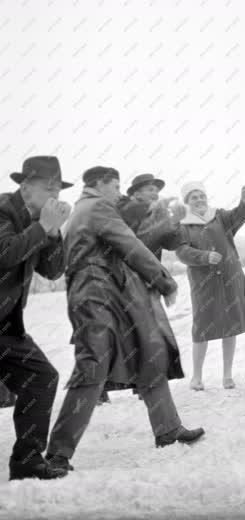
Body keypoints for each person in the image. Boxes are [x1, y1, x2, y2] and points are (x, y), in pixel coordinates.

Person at [46, 166, 205, 473]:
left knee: (149, 354)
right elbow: (130, 244)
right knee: (92, 369)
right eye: (115, 185)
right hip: (96, 295)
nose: (119, 191)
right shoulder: (97, 207)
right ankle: (58, 453)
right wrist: (164, 280)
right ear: (99, 185)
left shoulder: (85, 209)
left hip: (109, 293)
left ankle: (168, 428)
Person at [96, 173, 205, 404]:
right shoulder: (124, 207)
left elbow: (171, 241)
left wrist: (177, 221)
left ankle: (144, 384)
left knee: (150, 335)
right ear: (135, 192)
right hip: (121, 281)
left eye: (156, 190)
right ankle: (98, 387)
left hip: (148, 281)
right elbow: (136, 239)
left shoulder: (158, 211)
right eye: (149, 189)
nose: (155, 193)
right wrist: (161, 215)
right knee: (113, 335)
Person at [0, 156, 72, 480]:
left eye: (58, 188)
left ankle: (28, 462)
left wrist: (54, 231)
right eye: (48, 187)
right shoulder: (3, 210)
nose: (54, 195)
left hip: (7, 327)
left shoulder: (38, 220)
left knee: (41, 378)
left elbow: (53, 269)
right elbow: (5, 254)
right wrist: (42, 226)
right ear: (25, 187)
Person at [176, 180, 245, 391]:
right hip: (204, 283)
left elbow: (240, 215)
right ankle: (197, 377)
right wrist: (204, 256)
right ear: (187, 202)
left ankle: (227, 376)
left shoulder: (219, 216)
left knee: (230, 326)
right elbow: (182, 252)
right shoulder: (183, 225)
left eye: (201, 195)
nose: (199, 200)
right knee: (202, 328)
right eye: (194, 197)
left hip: (230, 277)